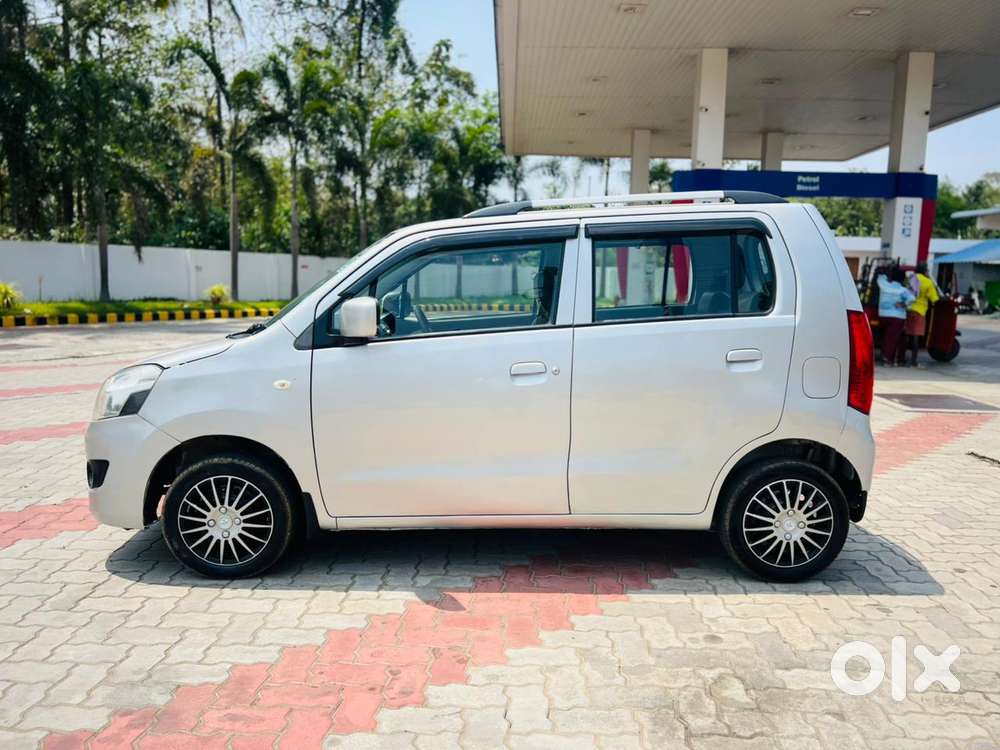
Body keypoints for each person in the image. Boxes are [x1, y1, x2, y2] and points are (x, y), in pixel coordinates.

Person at [877, 269, 914, 366]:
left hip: (883, 315)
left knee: (887, 337)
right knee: (892, 339)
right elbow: (912, 299)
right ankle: (887, 359)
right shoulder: (902, 290)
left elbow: (880, 277)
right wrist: (903, 304)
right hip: (897, 317)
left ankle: (892, 358)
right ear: (903, 279)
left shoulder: (883, 285)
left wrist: (887, 272)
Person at [905, 263, 940, 366]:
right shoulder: (928, 282)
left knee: (907, 333)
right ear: (925, 271)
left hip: (908, 309)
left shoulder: (911, 279)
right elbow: (934, 299)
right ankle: (913, 360)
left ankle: (901, 357)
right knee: (916, 336)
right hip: (919, 311)